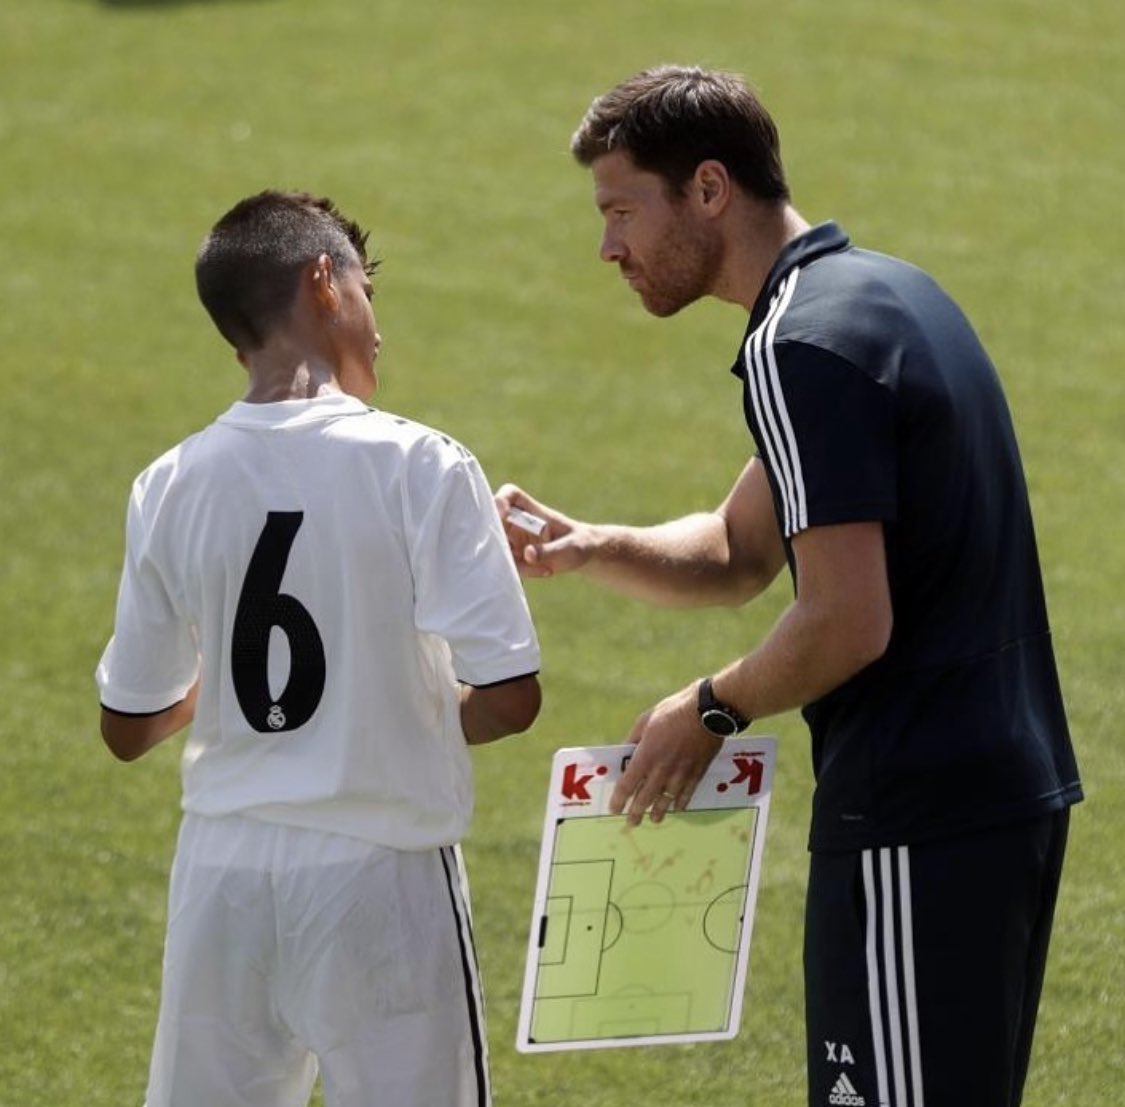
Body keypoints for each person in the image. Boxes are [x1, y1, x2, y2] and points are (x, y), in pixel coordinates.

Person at [496, 66, 1081, 1107]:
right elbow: (738, 548)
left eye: (622, 210)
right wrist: (596, 544)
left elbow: (848, 621)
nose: (608, 249)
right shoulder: (887, 296)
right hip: (993, 798)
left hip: (923, 814)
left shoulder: (798, 346)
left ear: (709, 189)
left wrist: (709, 709)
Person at [96, 189, 541, 1107]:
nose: (380, 328)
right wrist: (394, 695)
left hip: (221, 878)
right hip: (383, 879)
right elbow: (511, 695)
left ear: (235, 337)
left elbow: (129, 724)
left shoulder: (167, 483)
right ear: (324, 284)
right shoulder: (424, 464)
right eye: (370, 290)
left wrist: (214, 688)